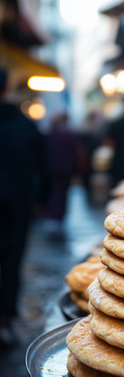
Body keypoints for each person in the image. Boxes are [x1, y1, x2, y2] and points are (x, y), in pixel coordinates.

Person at [0, 68, 51, 346]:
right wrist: (43, 198)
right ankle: (5, 320)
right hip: (18, 201)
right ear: (6, 87)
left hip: (17, 200)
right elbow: (44, 167)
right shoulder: (25, 124)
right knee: (11, 261)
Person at [44, 112, 86, 238]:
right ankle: (56, 218)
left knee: (55, 192)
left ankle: (53, 218)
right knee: (61, 193)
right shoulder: (69, 135)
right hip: (64, 169)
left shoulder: (50, 135)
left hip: (53, 169)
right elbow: (78, 152)